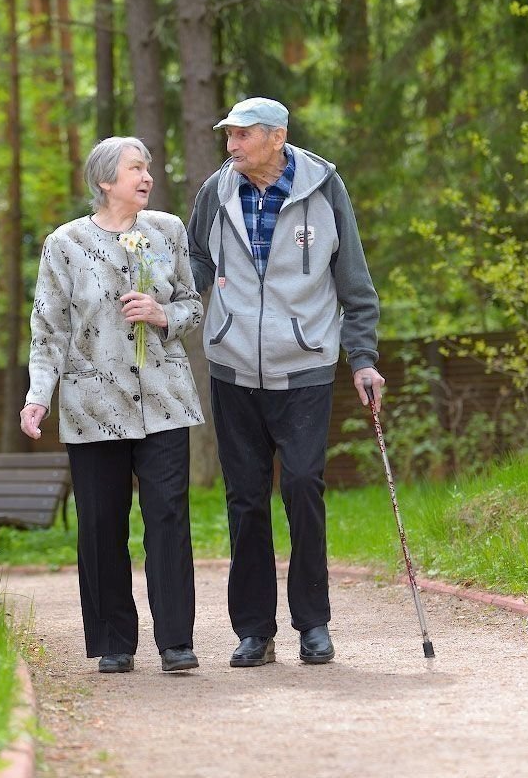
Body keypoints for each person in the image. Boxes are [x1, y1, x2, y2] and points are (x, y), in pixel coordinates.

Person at [187, 97, 385, 668]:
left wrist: (363, 358)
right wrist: (171, 297)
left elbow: (353, 279)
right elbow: (198, 262)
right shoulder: (215, 191)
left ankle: (313, 624)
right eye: (229, 135)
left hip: (304, 366)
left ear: (277, 137)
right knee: (245, 501)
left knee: (302, 486)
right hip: (232, 368)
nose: (232, 145)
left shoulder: (325, 188)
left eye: (243, 135)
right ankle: (254, 630)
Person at [20, 136, 204, 674]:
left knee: (168, 517)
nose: (147, 177)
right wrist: (38, 396)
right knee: (101, 524)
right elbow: (47, 329)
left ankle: (176, 642)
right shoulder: (65, 243)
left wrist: (163, 314)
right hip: (91, 406)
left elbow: (193, 304)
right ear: (105, 180)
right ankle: (113, 642)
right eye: (135, 169)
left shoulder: (168, 231)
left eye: (147, 169)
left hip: (165, 401)